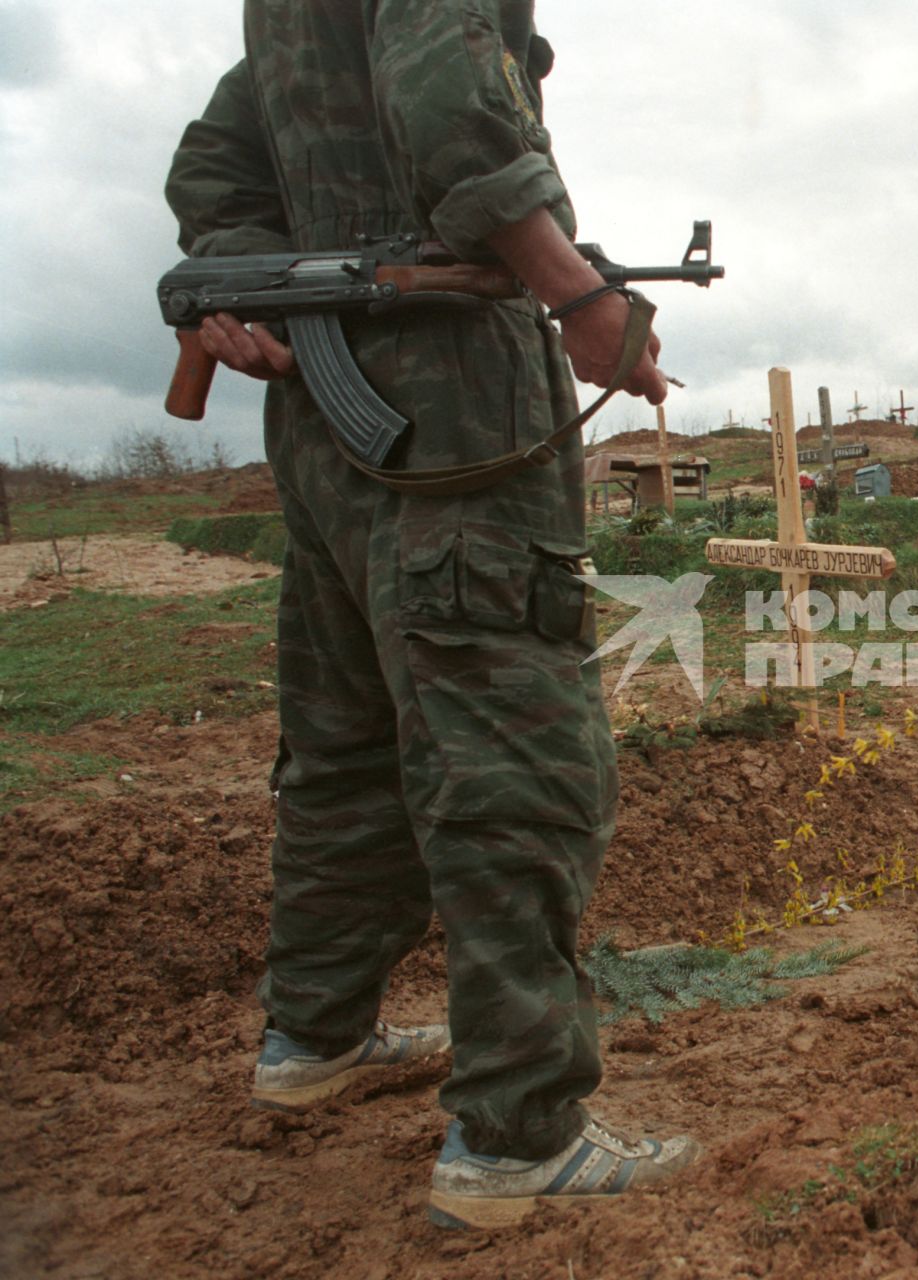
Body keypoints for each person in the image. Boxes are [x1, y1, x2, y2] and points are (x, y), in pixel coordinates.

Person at [164, 1, 699, 1230]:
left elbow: (215, 161)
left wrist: (254, 275)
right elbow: (449, 103)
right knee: (513, 752)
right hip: (451, 405)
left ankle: (315, 1034)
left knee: (345, 745)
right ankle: (516, 1136)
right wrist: (576, 294)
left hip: (324, 425)